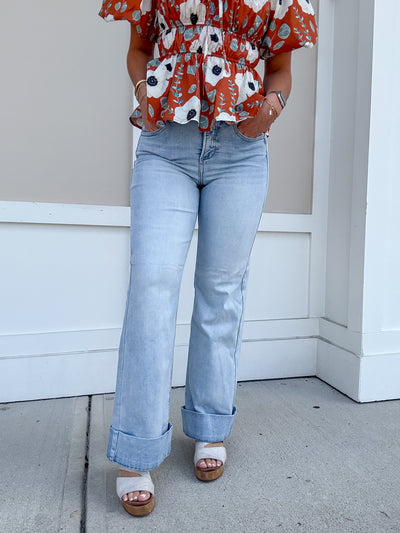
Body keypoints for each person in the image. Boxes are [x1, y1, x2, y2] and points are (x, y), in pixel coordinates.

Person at [99, 0, 317, 517]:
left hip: (240, 151)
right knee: (151, 286)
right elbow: (138, 49)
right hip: (166, 145)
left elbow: (281, 69)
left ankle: (210, 424)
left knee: (221, 289)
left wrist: (269, 111)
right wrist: (143, 91)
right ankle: (136, 448)